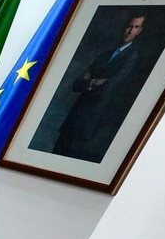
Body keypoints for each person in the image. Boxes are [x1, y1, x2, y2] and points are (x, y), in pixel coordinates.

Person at [51, 12, 144, 161]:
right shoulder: (104, 55)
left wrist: (91, 81)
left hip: (91, 124)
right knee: (54, 157)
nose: (130, 31)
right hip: (74, 119)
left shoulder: (133, 57)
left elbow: (108, 87)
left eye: (135, 27)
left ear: (139, 31)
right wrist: (94, 82)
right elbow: (77, 84)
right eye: (129, 26)